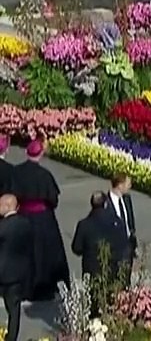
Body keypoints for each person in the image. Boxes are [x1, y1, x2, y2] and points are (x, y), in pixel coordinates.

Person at [10, 140, 68, 301]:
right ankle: (45, 287)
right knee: (45, 253)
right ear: (40, 154)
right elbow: (53, 200)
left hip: (22, 216)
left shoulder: (16, 172)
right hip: (43, 219)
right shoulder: (45, 175)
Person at [70, 192, 131, 303]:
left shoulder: (84, 224)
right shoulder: (116, 221)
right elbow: (124, 244)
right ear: (105, 204)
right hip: (114, 268)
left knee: (95, 303)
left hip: (92, 271)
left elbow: (76, 248)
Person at [0, 194, 31, 341]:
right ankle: (11, 337)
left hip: (2, 273)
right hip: (19, 273)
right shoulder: (26, 223)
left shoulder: (2, 227)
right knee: (14, 309)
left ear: (6, 206)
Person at [107, 173, 137, 280]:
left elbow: (130, 221)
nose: (130, 186)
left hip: (128, 246)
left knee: (126, 279)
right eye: (128, 183)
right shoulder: (106, 203)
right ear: (120, 185)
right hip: (115, 249)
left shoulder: (127, 199)